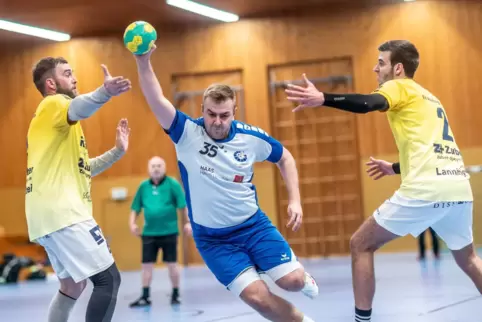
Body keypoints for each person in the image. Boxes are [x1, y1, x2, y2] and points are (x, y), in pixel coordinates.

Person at [285, 39, 482, 322]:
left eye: (381, 63)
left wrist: (323, 98)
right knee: (469, 259)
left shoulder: (397, 86)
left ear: (398, 68)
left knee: (360, 244)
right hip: (457, 187)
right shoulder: (429, 97)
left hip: (426, 190)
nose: (375, 69)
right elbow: (434, 149)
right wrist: (394, 166)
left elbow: (368, 103)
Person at [131, 45, 318, 322]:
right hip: (213, 240)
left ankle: (300, 277)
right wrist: (143, 62)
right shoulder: (186, 133)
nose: (217, 122)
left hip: (253, 227)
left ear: (234, 111)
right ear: (202, 110)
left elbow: (285, 158)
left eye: (224, 115)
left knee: (293, 282)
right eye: (211, 114)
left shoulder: (251, 138)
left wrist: (295, 200)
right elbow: (155, 98)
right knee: (259, 299)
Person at [26, 56, 131, 322]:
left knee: (73, 286)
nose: (74, 78)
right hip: (64, 212)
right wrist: (105, 92)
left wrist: (117, 152)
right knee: (108, 280)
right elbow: (81, 106)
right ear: (51, 84)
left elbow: (84, 168)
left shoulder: (56, 125)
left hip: (46, 217)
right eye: (67, 73)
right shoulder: (54, 104)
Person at [129, 156, 191, 307]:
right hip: (149, 233)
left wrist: (188, 222)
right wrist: (132, 223)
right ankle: (145, 296)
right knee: (146, 265)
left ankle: (176, 294)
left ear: (164, 168)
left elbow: (183, 206)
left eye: (159, 165)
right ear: (149, 169)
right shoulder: (143, 186)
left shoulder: (173, 184)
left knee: (172, 264)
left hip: (169, 232)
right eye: (153, 166)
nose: (156, 168)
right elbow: (135, 207)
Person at [365, 157, 441, 261]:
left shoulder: (431, 180)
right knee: (421, 235)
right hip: (421, 213)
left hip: (431, 211)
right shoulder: (417, 184)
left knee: (433, 233)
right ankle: (422, 254)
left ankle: (436, 253)